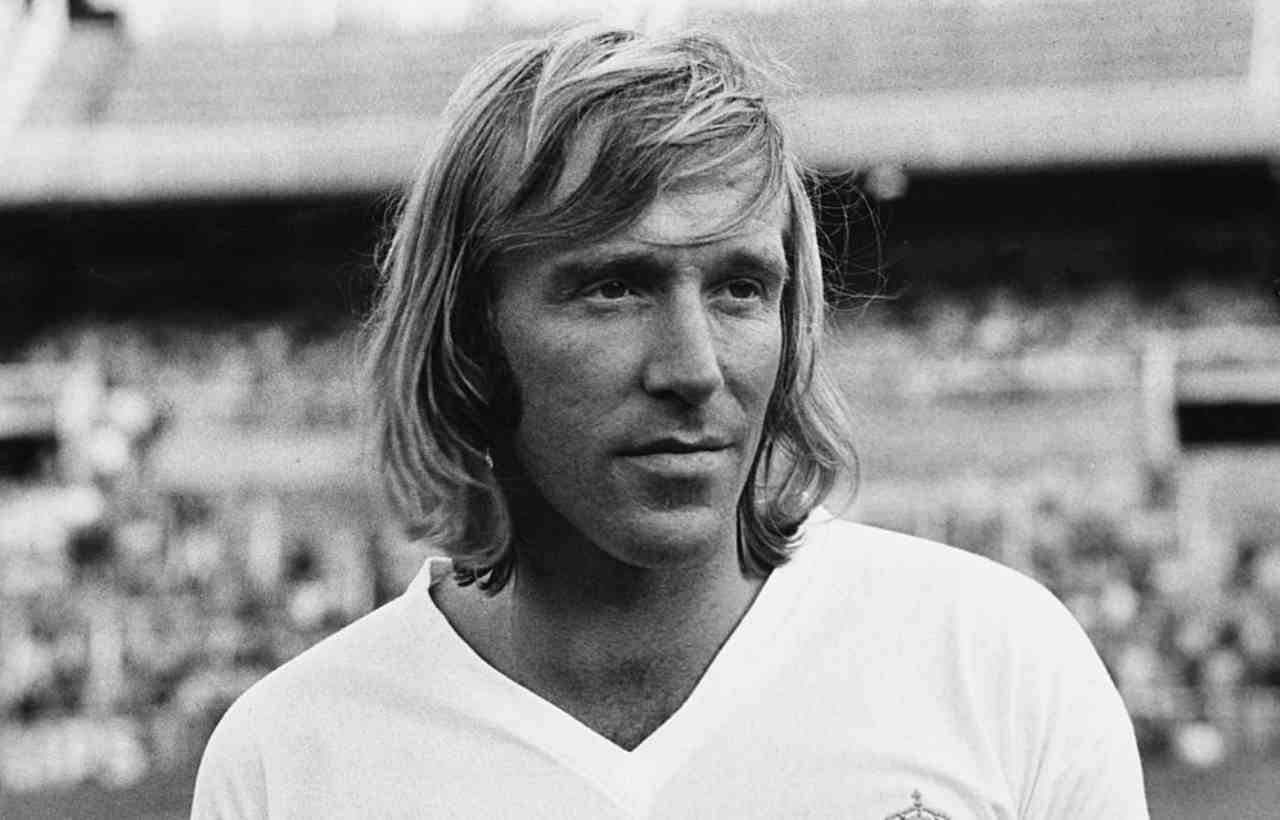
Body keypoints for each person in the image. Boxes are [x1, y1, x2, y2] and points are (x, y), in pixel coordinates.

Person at [191, 26, 1149, 819]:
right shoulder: (291, 764)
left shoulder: (997, 668)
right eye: (613, 286)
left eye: (739, 288)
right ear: (471, 330)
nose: (693, 368)